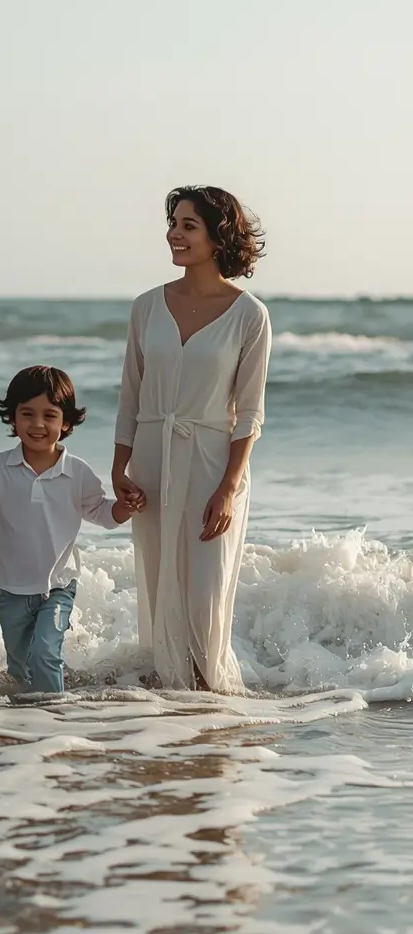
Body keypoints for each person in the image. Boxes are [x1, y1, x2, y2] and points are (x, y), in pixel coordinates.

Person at [113, 186, 271, 694]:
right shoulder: (146, 307)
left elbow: (249, 414)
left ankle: (210, 699)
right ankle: (171, 716)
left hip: (211, 462)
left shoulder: (249, 315)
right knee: (160, 586)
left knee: (206, 588)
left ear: (218, 235)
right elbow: (129, 399)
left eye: (188, 226)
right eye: (173, 223)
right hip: (153, 460)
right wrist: (120, 469)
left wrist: (228, 486)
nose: (174, 234)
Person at [0, 366, 142, 694]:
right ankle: (29, 724)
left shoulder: (77, 472)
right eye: (27, 414)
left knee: (46, 653)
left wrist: (125, 507)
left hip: (58, 586)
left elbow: (103, 514)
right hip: (10, 590)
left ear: (65, 422)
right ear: (12, 419)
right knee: (20, 667)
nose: (38, 425)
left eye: (49, 416)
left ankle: (54, 719)